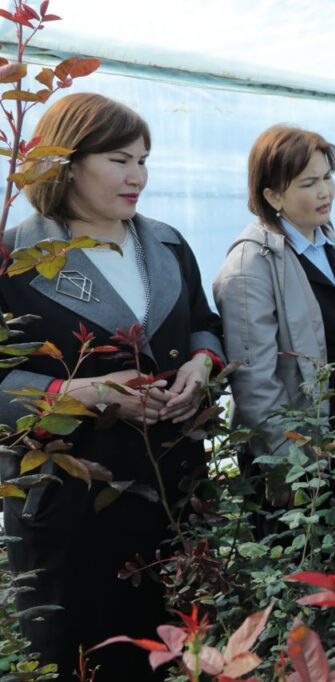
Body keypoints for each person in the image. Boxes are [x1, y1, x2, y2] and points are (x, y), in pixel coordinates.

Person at [0, 93, 224, 680]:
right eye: (120, 160)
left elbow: (204, 323)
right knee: (87, 658)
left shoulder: (167, 244)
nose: (138, 177)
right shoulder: (16, 258)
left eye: (144, 160)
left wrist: (201, 366)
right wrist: (92, 392)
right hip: (69, 507)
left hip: (173, 488)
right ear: (66, 164)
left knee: (176, 648)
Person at [214, 125, 335, 523]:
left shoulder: (330, 245)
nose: (325, 192)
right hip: (294, 445)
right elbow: (254, 377)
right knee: (303, 550)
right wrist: (288, 460)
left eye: (327, 177)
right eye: (309, 183)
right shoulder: (251, 263)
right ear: (273, 196)